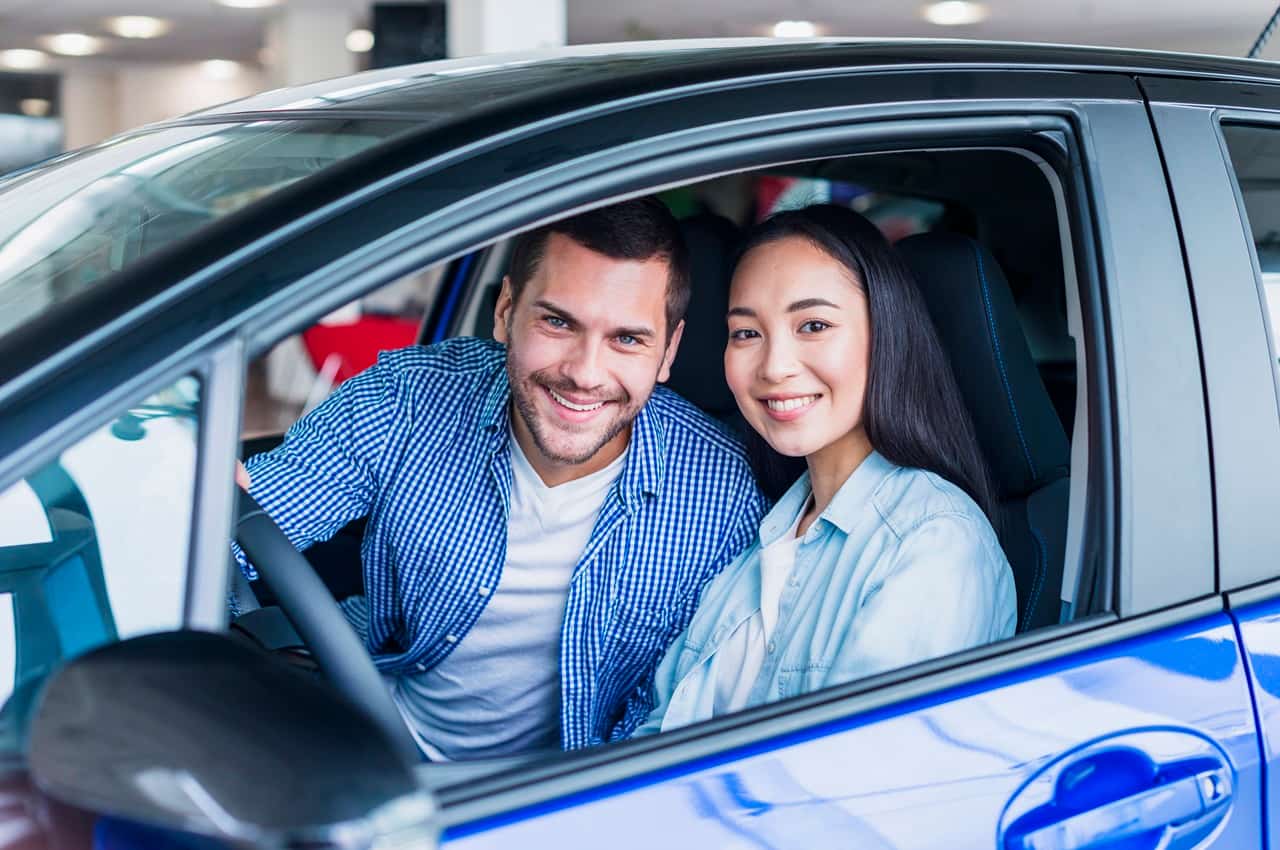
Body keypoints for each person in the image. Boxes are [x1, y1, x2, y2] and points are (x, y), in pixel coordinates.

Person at [235, 198, 767, 759]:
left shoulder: (725, 493)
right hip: (366, 728)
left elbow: (665, 717)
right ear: (506, 310)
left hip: (542, 795)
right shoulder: (408, 398)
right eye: (558, 322)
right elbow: (235, 529)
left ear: (668, 351)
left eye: (627, 339)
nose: (585, 374)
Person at [635, 204, 1016, 735]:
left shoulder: (934, 543)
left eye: (813, 325)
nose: (774, 366)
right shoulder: (765, 532)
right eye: (746, 333)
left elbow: (858, 769)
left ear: (886, 334)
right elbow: (657, 728)